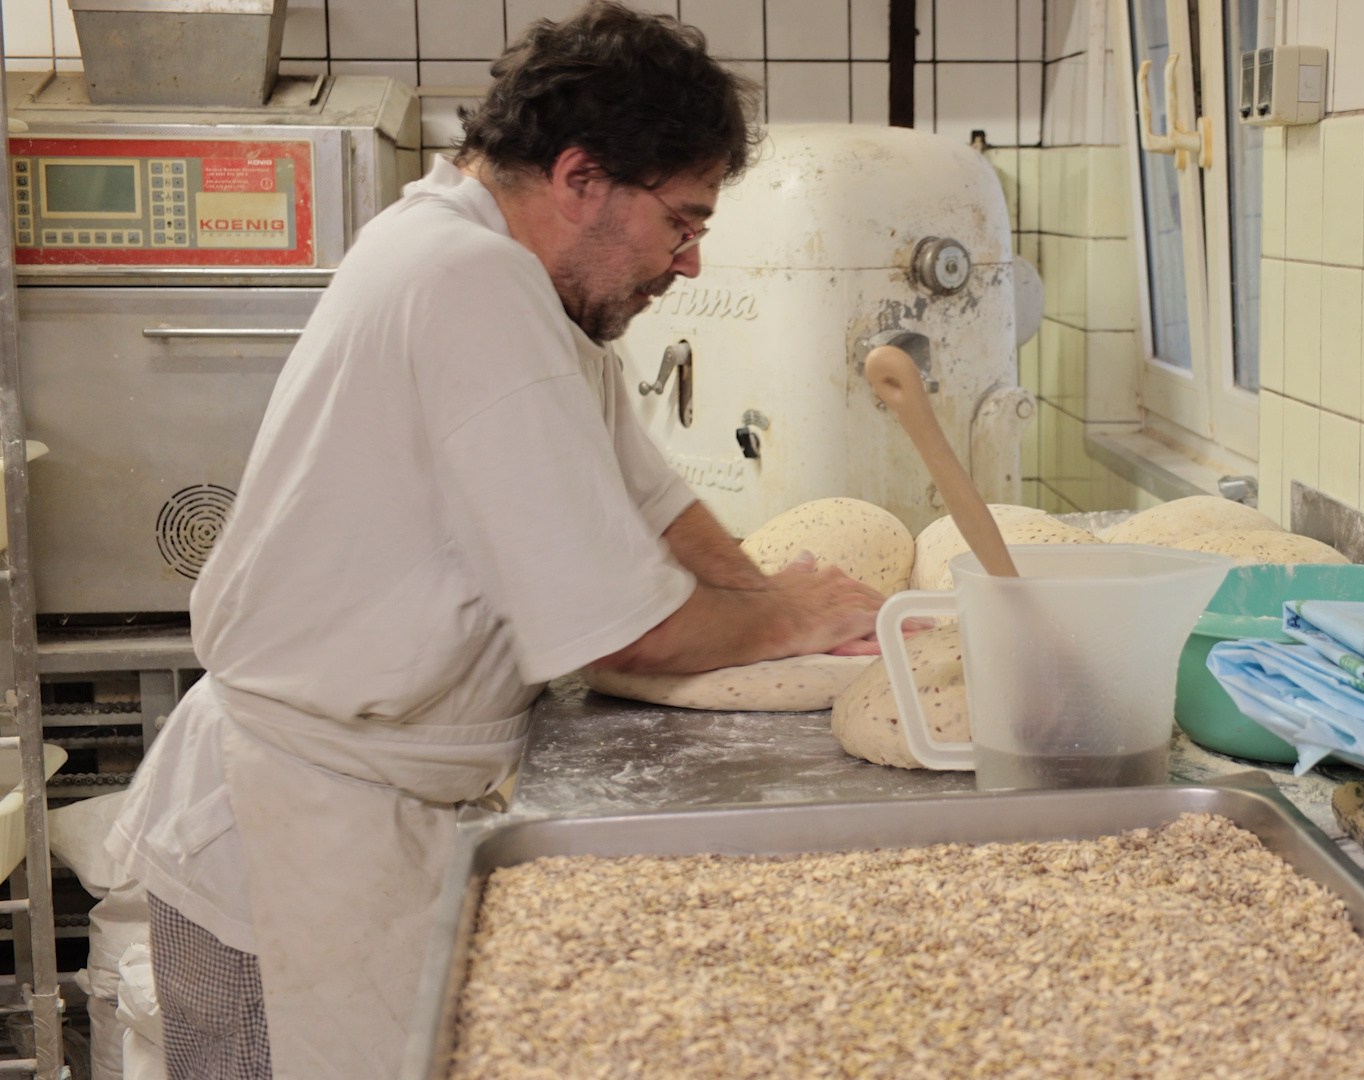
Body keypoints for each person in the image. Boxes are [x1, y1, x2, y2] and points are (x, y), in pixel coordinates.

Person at [105, 5, 884, 1076]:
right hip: (289, 850)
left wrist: (775, 605)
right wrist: (794, 613)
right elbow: (625, 636)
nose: (691, 263)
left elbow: (656, 502)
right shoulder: (466, 282)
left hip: (357, 816)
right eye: (683, 222)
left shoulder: (486, 266)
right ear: (580, 178)